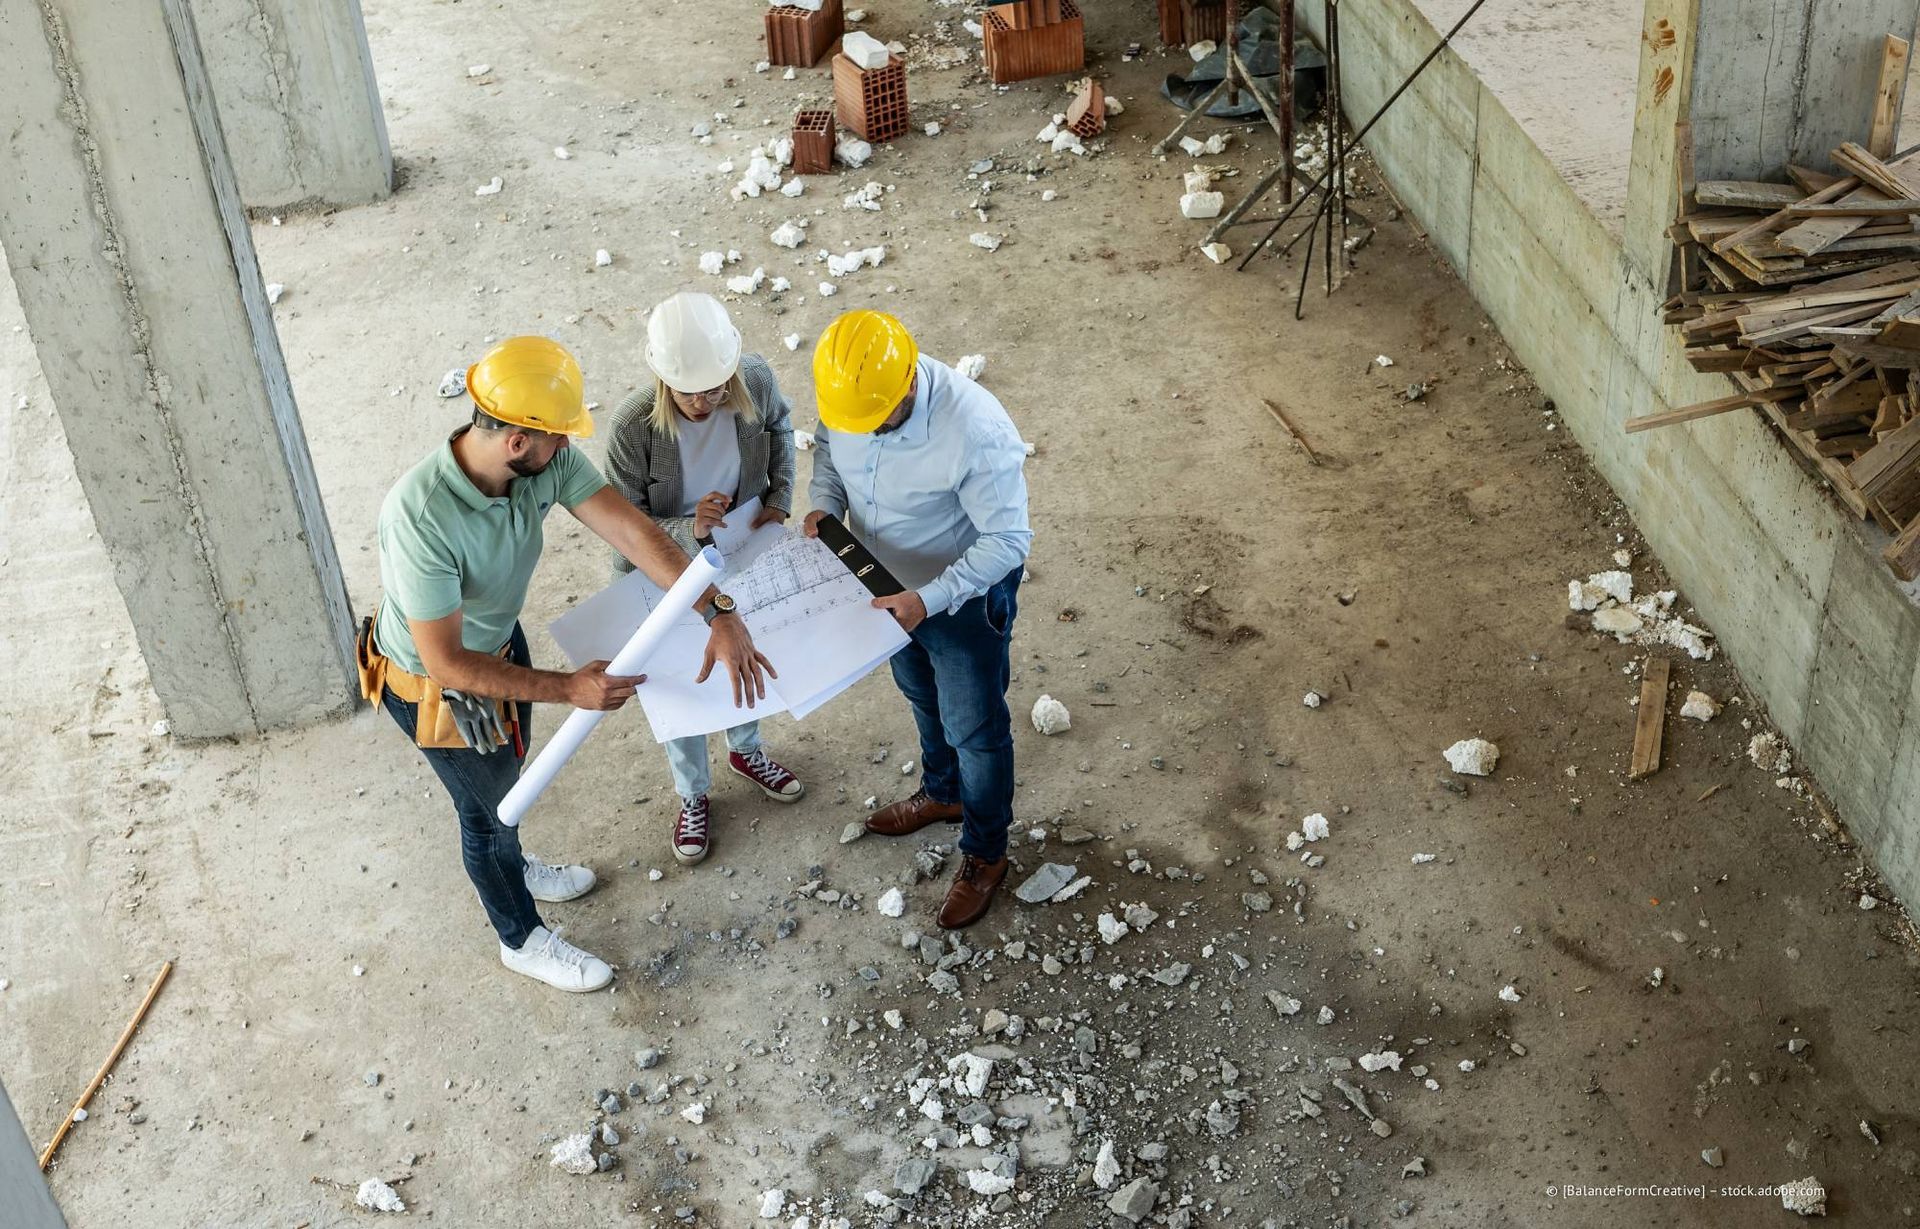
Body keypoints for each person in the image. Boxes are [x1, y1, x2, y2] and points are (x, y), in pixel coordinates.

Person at [361, 335, 770, 993]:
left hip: (496, 644)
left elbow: (635, 533)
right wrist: (570, 687)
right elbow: (446, 660)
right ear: (517, 441)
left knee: (506, 778)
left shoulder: (541, 462)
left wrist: (716, 611)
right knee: (490, 809)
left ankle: (513, 863)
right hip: (439, 682)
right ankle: (520, 937)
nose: (564, 449)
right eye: (556, 438)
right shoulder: (420, 518)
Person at [805, 310, 1032, 929]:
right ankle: (943, 792)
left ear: (907, 384)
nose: (866, 431)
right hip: (882, 585)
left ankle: (986, 855)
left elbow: (1008, 541)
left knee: (976, 730)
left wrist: (927, 600)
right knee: (919, 694)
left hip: (958, 597)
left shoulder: (974, 428)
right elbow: (829, 446)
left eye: (878, 420)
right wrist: (825, 506)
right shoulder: (850, 394)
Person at [605, 292, 807, 865]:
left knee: (743, 652)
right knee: (680, 679)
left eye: (715, 386)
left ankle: (747, 749)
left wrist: (781, 498)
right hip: (662, 565)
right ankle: (693, 793)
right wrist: (685, 525)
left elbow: (781, 428)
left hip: (738, 545)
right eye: (689, 388)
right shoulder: (632, 428)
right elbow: (621, 524)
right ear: (661, 378)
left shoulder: (756, 380)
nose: (702, 399)